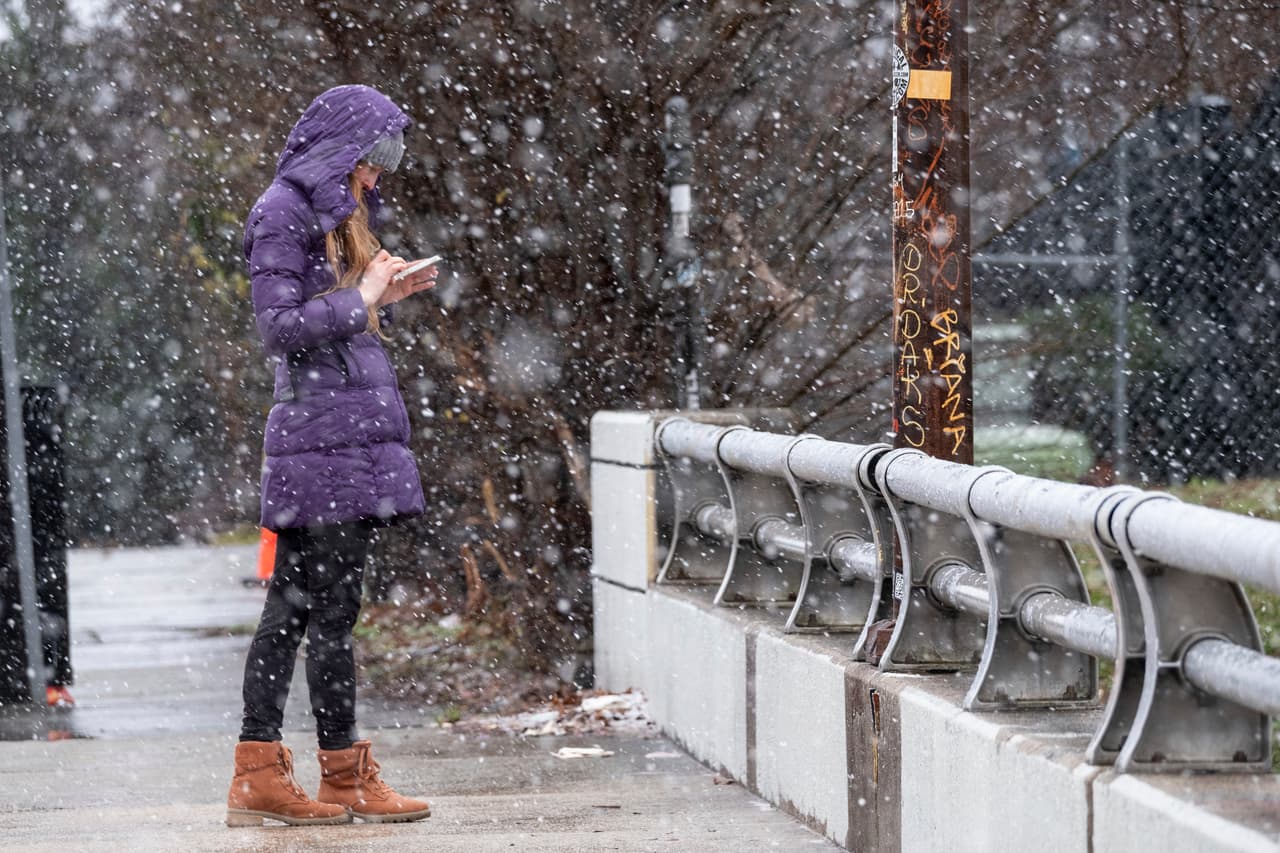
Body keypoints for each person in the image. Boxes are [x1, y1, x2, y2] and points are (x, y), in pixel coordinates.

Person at [225, 85, 438, 828]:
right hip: (322, 441)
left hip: (339, 438)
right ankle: (323, 772)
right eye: (372, 161)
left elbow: (331, 317)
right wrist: (363, 295)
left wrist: (384, 293)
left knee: (304, 608)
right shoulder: (280, 212)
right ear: (341, 151)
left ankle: (283, 773)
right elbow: (280, 327)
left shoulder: (330, 214)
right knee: (317, 610)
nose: (378, 177)